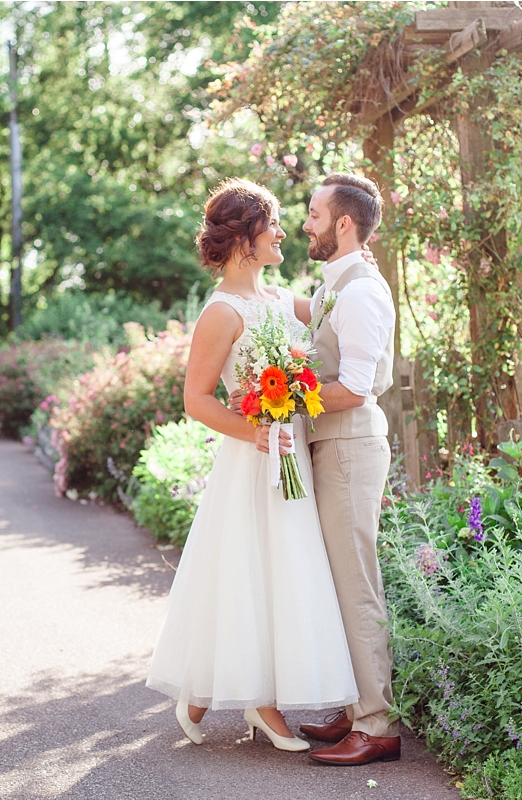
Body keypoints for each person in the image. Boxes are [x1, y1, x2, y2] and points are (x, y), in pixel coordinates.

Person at [145, 178, 357, 753]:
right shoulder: (220, 312)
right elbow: (197, 399)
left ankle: (208, 689)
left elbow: (342, 311)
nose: (285, 233)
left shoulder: (283, 299)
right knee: (247, 572)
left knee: (281, 574)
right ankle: (255, 703)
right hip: (252, 459)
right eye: (274, 225)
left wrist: (363, 273)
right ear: (244, 238)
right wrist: (255, 431)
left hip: (293, 460)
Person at [296, 173, 400, 766]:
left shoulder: (361, 291)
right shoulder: (336, 285)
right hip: (329, 447)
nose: (306, 223)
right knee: (336, 583)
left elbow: (357, 388)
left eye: (313, 214)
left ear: (342, 224)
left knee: (357, 587)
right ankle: (353, 705)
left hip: (349, 448)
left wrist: (282, 398)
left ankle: (377, 725)